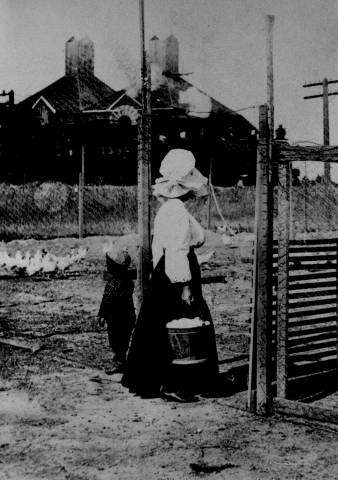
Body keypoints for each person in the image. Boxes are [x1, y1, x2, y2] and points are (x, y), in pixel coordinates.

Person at [121, 149, 219, 401]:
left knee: (159, 324)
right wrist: (184, 286)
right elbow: (176, 250)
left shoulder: (171, 209)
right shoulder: (175, 211)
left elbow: (173, 245)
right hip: (176, 274)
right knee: (184, 325)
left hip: (167, 273)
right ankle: (176, 382)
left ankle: (165, 380)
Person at [97, 243, 136, 374]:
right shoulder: (126, 280)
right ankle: (121, 358)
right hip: (128, 314)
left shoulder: (113, 283)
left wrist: (102, 314)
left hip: (116, 316)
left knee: (115, 338)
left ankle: (119, 361)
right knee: (123, 338)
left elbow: (106, 299)